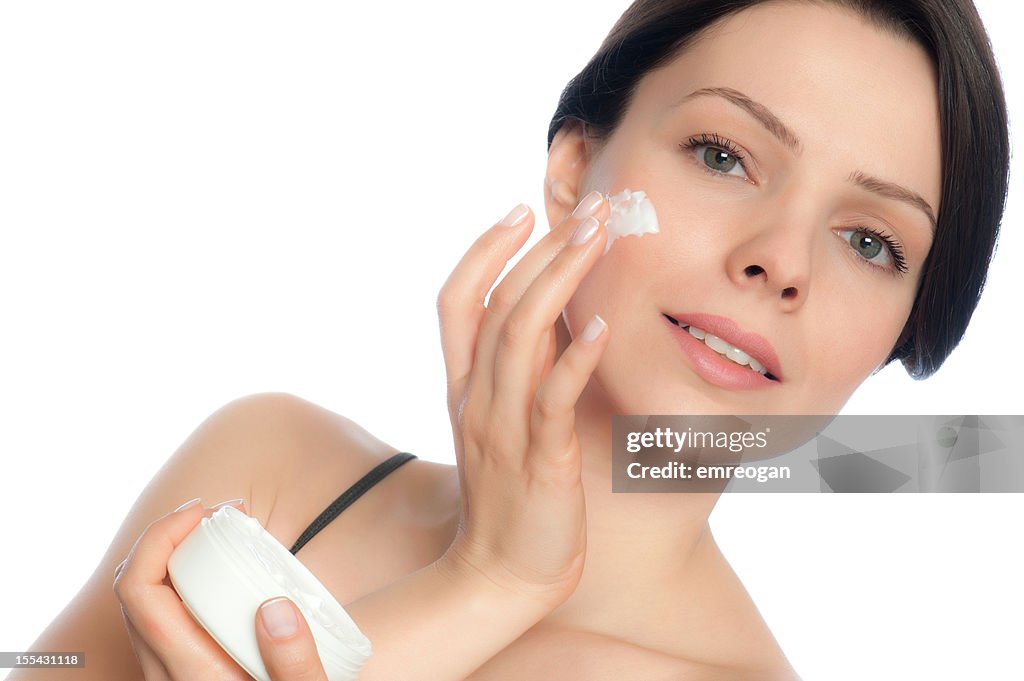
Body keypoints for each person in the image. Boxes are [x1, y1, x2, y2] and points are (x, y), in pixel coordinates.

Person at [8, 0, 1008, 679]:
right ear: (576, 171)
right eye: (722, 154)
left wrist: (496, 580)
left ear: (899, 330)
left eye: (869, 241)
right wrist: (481, 584)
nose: (780, 260)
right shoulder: (266, 473)